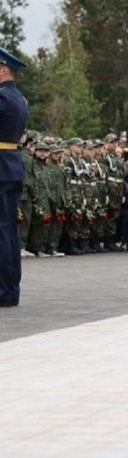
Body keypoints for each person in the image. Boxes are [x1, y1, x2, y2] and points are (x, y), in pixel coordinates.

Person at [0, 46, 29, 307]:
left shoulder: (3, 98)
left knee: (2, 232)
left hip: (1, 167)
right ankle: (9, 288)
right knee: (8, 231)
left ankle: (5, 290)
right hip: (10, 165)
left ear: (3, 69)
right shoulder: (18, 98)